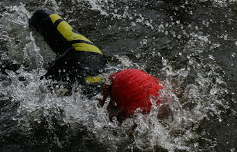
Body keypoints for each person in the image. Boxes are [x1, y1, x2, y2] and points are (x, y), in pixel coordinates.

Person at [29, 9, 166, 121]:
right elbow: (40, 16)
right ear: (113, 111)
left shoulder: (90, 53)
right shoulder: (71, 102)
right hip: (36, 80)